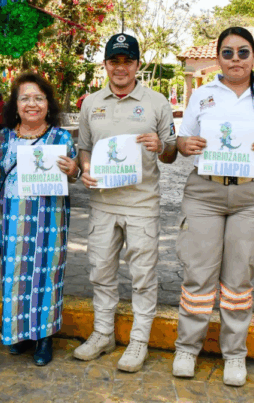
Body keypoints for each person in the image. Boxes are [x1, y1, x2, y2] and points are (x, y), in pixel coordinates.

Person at [172, 27, 254, 386]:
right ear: (218, 58)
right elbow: (183, 139)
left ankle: (234, 354)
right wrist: (186, 145)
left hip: (252, 195)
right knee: (198, 275)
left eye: (243, 52)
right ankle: (187, 348)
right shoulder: (203, 95)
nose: (235, 59)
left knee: (238, 279)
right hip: (205, 193)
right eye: (227, 53)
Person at [74, 33, 178, 372]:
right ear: (105, 64)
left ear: (137, 64)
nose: (121, 67)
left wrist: (160, 146)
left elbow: (172, 154)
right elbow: (84, 147)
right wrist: (85, 169)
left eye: (127, 61)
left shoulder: (157, 102)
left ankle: (139, 341)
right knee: (100, 272)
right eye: (114, 61)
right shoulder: (91, 103)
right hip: (102, 203)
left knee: (143, 276)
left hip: (141, 204)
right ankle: (103, 333)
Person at [0, 72, 79, 366]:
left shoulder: (61, 138)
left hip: (49, 217)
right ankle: (19, 333)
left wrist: (74, 171)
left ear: (48, 104)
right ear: (15, 105)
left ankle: (44, 337)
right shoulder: (4, 137)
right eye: (25, 98)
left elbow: (75, 175)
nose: (32, 104)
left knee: (47, 274)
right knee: (15, 272)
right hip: (12, 218)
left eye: (39, 98)